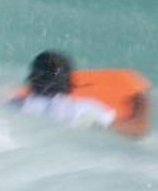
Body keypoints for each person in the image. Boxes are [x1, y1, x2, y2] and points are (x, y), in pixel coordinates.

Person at [12, 52, 150, 138]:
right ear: (70, 81)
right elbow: (136, 131)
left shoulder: (17, 104)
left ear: (31, 78)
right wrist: (142, 103)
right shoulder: (82, 109)